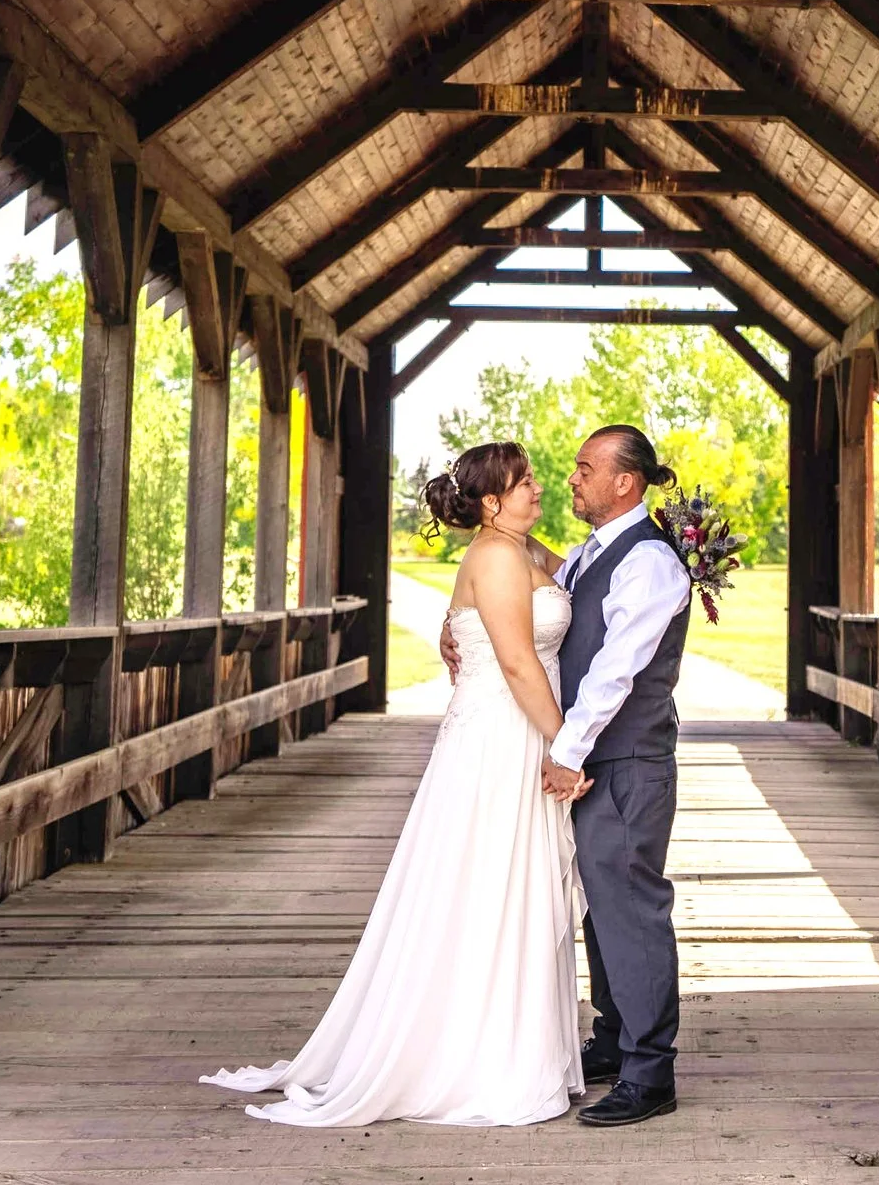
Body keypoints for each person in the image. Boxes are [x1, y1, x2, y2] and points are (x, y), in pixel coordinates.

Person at [200, 441, 587, 1127]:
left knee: (508, 887)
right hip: (502, 740)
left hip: (515, 731)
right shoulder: (496, 556)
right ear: (492, 502)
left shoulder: (520, 550)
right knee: (484, 887)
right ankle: (470, 1060)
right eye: (525, 483)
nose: (539, 489)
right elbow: (521, 664)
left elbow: (580, 573)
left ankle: (511, 1044)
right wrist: (568, 749)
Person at [506, 425, 695, 1127]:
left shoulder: (648, 563)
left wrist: (567, 749)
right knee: (600, 907)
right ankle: (614, 1040)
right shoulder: (596, 552)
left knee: (632, 908)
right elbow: (554, 589)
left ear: (626, 482)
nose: (574, 479)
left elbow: (617, 670)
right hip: (604, 761)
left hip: (628, 760)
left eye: (586, 469)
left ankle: (652, 1072)